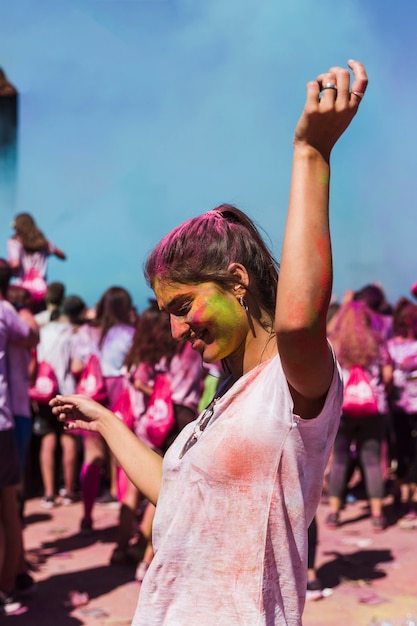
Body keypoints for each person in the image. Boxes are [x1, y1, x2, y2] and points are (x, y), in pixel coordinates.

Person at [51, 60, 367, 625]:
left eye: (183, 307)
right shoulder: (225, 394)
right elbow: (176, 496)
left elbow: (297, 321)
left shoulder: (292, 387)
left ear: (238, 283)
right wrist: (107, 422)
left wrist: (311, 154)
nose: (175, 330)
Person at [70, 286, 135, 533]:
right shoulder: (128, 333)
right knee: (122, 456)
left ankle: (86, 516)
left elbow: (76, 366)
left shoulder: (86, 332)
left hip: (92, 394)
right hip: (120, 393)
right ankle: (124, 519)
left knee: (92, 456)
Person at [326, 300, 393, 531]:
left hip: (344, 408)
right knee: (372, 461)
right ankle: (377, 515)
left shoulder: (336, 343)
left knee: (340, 459)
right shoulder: (377, 343)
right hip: (373, 409)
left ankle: (334, 513)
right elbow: (387, 377)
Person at [0, 259, 38, 614]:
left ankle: (14, 576)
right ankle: (12, 580)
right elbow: (32, 336)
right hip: (8, 418)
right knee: (10, 506)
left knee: (10, 506)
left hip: (13, 416)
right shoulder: (8, 312)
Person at [34, 295, 86, 508]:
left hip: (43, 391)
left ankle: (48, 493)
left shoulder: (42, 332)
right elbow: (76, 367)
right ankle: (68, 490)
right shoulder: (72, 334)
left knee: (47, 440)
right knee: (68, 439)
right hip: (65, 391)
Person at [386, 298, 417, 527]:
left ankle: (403, 494)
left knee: (402, 451)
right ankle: (408, 499)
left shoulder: (390, 346)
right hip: (404, 407)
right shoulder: (397, 346)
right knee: (407, 452)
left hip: (398, 407)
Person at [7, 213, 66, 311]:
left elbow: (15, 264)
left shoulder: (14, 242)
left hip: (22, 291)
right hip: (42, 289)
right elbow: (62, 255)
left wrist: (5, 271)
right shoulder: (43, 242)